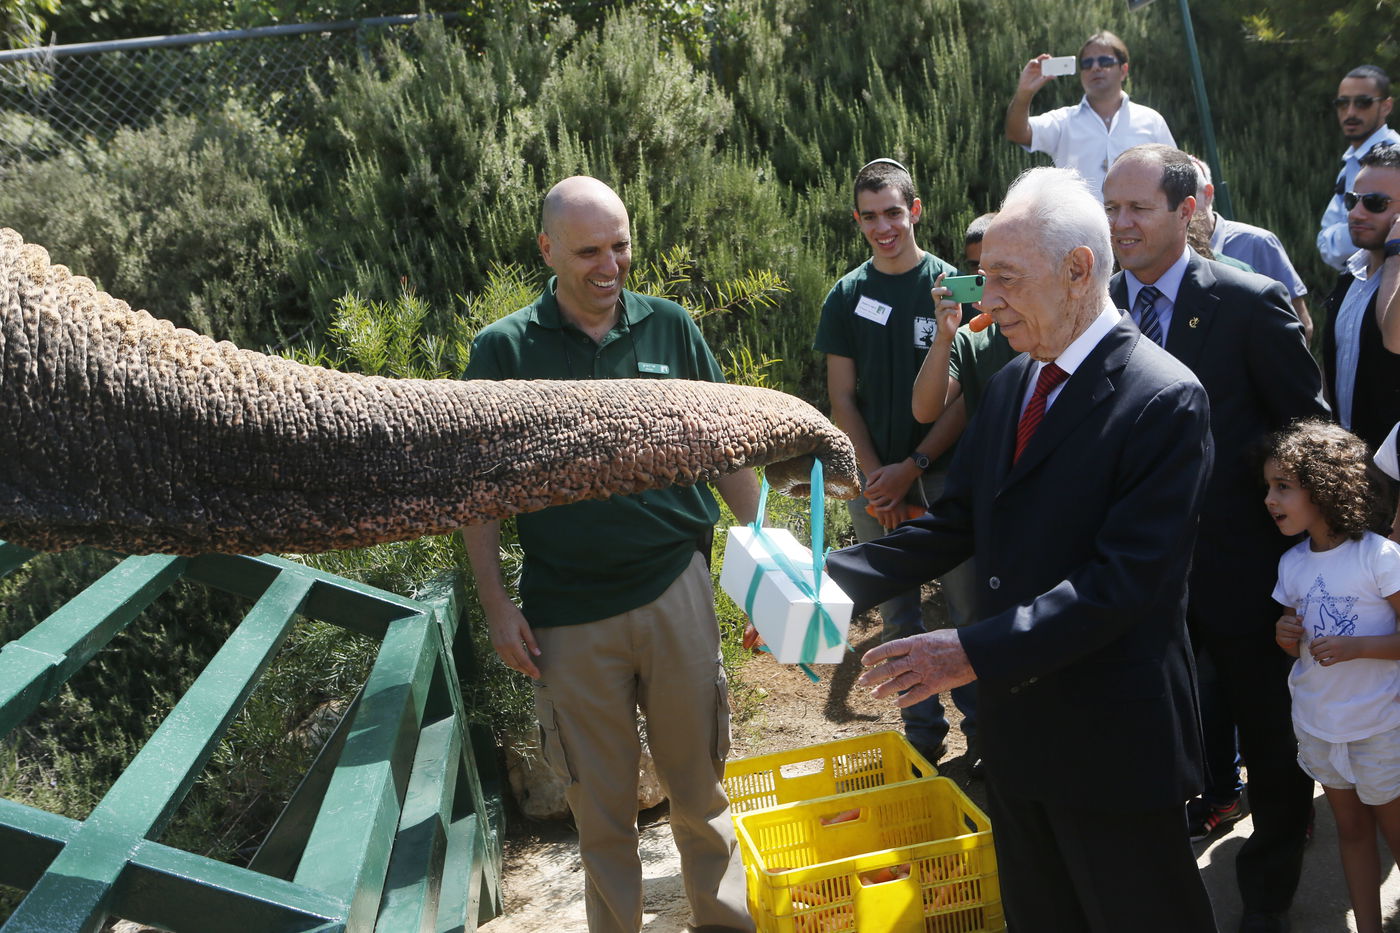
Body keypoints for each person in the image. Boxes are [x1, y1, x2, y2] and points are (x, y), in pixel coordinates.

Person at [828, 166, 1217, 932]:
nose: (988, 300)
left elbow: (1122, 584)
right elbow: (958, 521)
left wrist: (968, 650)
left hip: (1111, 743)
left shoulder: (1163, 398)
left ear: (1077, 271)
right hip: (1017, 739)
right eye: (983, 279)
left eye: (1005, 279)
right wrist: (827, 581)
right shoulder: (1010, 384)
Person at [462, 176, 758, 933]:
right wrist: (497, 604)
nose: (609, 266)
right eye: (589, 250)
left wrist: (771, 567)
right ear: (547, 250)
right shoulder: (504, 350)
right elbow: (477, 492)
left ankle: (725, 923)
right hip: (569, 614)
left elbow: (728, 446)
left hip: (674, 590)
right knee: (601, 817)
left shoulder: (670, 327)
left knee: (702, 799)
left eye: (621, 245)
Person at [1104, 143, 1329, 933]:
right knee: (1163, 736)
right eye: (1112, 208)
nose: (1120, 223)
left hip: (1244, 573)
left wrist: (1308, 551)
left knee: (1269, 740)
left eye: (1137, 208)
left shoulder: (1247, 300)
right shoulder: (1097, 307)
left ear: (1186, 210)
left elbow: (1308, 431)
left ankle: (1267, 891)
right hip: (1138, 579)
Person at [813, 157, 974, 765]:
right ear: (857, 220)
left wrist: (913, 466)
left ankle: (985, 737)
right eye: (870, 216)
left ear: (916, 211)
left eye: (894, 213)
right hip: (871, 479)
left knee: (966, 609)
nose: (884, 227)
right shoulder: (847, 294)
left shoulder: (949, 285)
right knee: (898, 611)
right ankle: (923, 741)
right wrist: (876, 479)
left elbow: (966, 398)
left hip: (944, 475)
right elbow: (842, 399)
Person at [1267, 420, 1400, 933]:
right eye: (1268, 486)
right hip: (1320, 726)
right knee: (1350, 832)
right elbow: (1290, 644)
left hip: (1379, 727)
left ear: (1324, 488)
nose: (1269, 498)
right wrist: (1284, 633)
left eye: (1282, 486)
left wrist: (1358, 647)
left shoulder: (1380, 558)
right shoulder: (1291, 565)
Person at [1004, 30, 1174, 196]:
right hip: (1078, 224)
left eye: (1104, 61)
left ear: (1123, 70)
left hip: (1139, 225)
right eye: (1087, 63)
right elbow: (1016, 133)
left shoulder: (1151, 121)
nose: (1095, 67)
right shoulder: (1064, 122)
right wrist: (1024, 92)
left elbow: (1174, 173)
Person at [1189, 155, 1313, 342]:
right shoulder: (1163, 252)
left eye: (1187, 197)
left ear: (1207, 194)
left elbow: (1301, 322)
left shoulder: (1258, 243)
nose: (1179, 208)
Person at [1332, 142, 1400, 453]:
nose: (1356, 213)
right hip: (1352, 470)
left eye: (1374, 203)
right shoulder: (1349, 276)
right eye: (1352, 200)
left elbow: (1395, 338)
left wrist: (1396, 252)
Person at [1319, 65, 1400, 271]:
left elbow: (1336, 243)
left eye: (1363, 103)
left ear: (1386, 106)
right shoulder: (1352, 160)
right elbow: (1325, 242)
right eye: (1343, 103)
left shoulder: (1395, 159)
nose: (1351, 112)